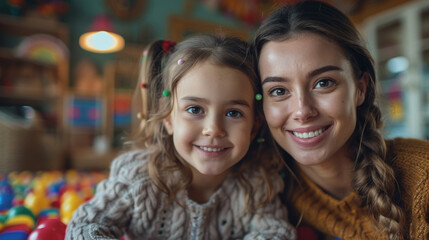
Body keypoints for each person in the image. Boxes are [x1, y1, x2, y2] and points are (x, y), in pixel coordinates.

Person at [66, 34, 296, 240]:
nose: (213, 129)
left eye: (233, 113)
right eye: (195, 110)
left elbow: (275, 232)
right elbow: (86, 225)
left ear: (254, 126)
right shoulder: (139, 178)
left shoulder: (255, 185)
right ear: (168, 117)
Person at [252, 1, 429, 240]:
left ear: (360, 88)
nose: (302, 111)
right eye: (278, 91)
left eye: (323, 83)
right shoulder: (263, 190)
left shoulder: (423, 177)